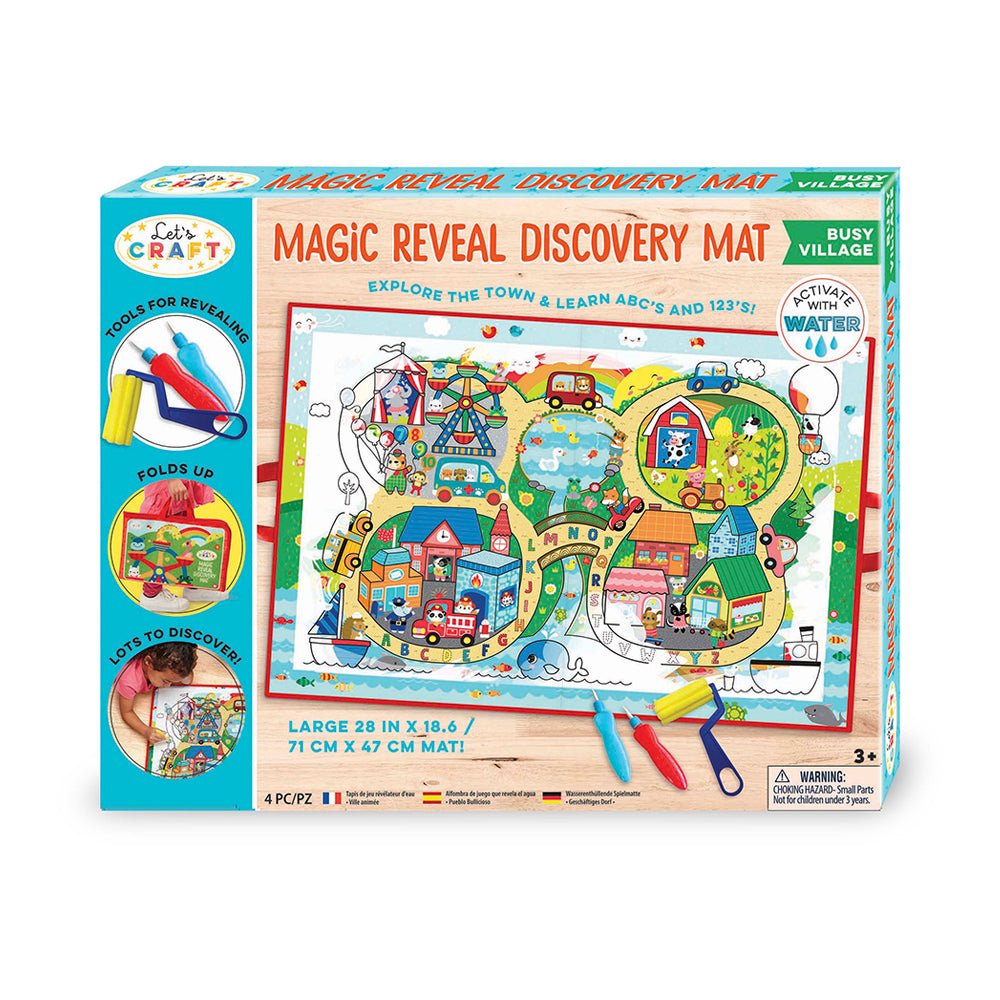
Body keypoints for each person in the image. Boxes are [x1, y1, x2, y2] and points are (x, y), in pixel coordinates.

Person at [136, 478, 219, 612]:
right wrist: (172, 479)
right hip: (166, 486)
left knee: (185, 535)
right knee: (158, 537)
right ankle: (151, 595)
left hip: (183, 484)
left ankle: (193, 587)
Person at [115, 642, 197, 744]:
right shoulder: (128, 681)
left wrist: (183, 674)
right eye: (165, 681)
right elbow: (126, 713)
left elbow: (188, 680)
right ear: (148, 662)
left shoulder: (163, 667)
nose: (168, 686)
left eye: (171, 682)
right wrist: (145, 731)